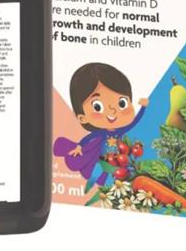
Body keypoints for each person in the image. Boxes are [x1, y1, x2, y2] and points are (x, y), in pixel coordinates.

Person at [53, 62, 148, 191]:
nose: (112, 110)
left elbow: (134, 122)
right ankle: (91, 186)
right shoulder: (101, 133)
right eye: (97, 106)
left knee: (118, 174)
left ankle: (110, 187)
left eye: (122, 103)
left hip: (117, 159)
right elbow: (88, 138)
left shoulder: (120, 131)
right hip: (102, 157)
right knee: (98, 172)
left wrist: (143, 108)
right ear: (82, 118)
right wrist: (79, 146)